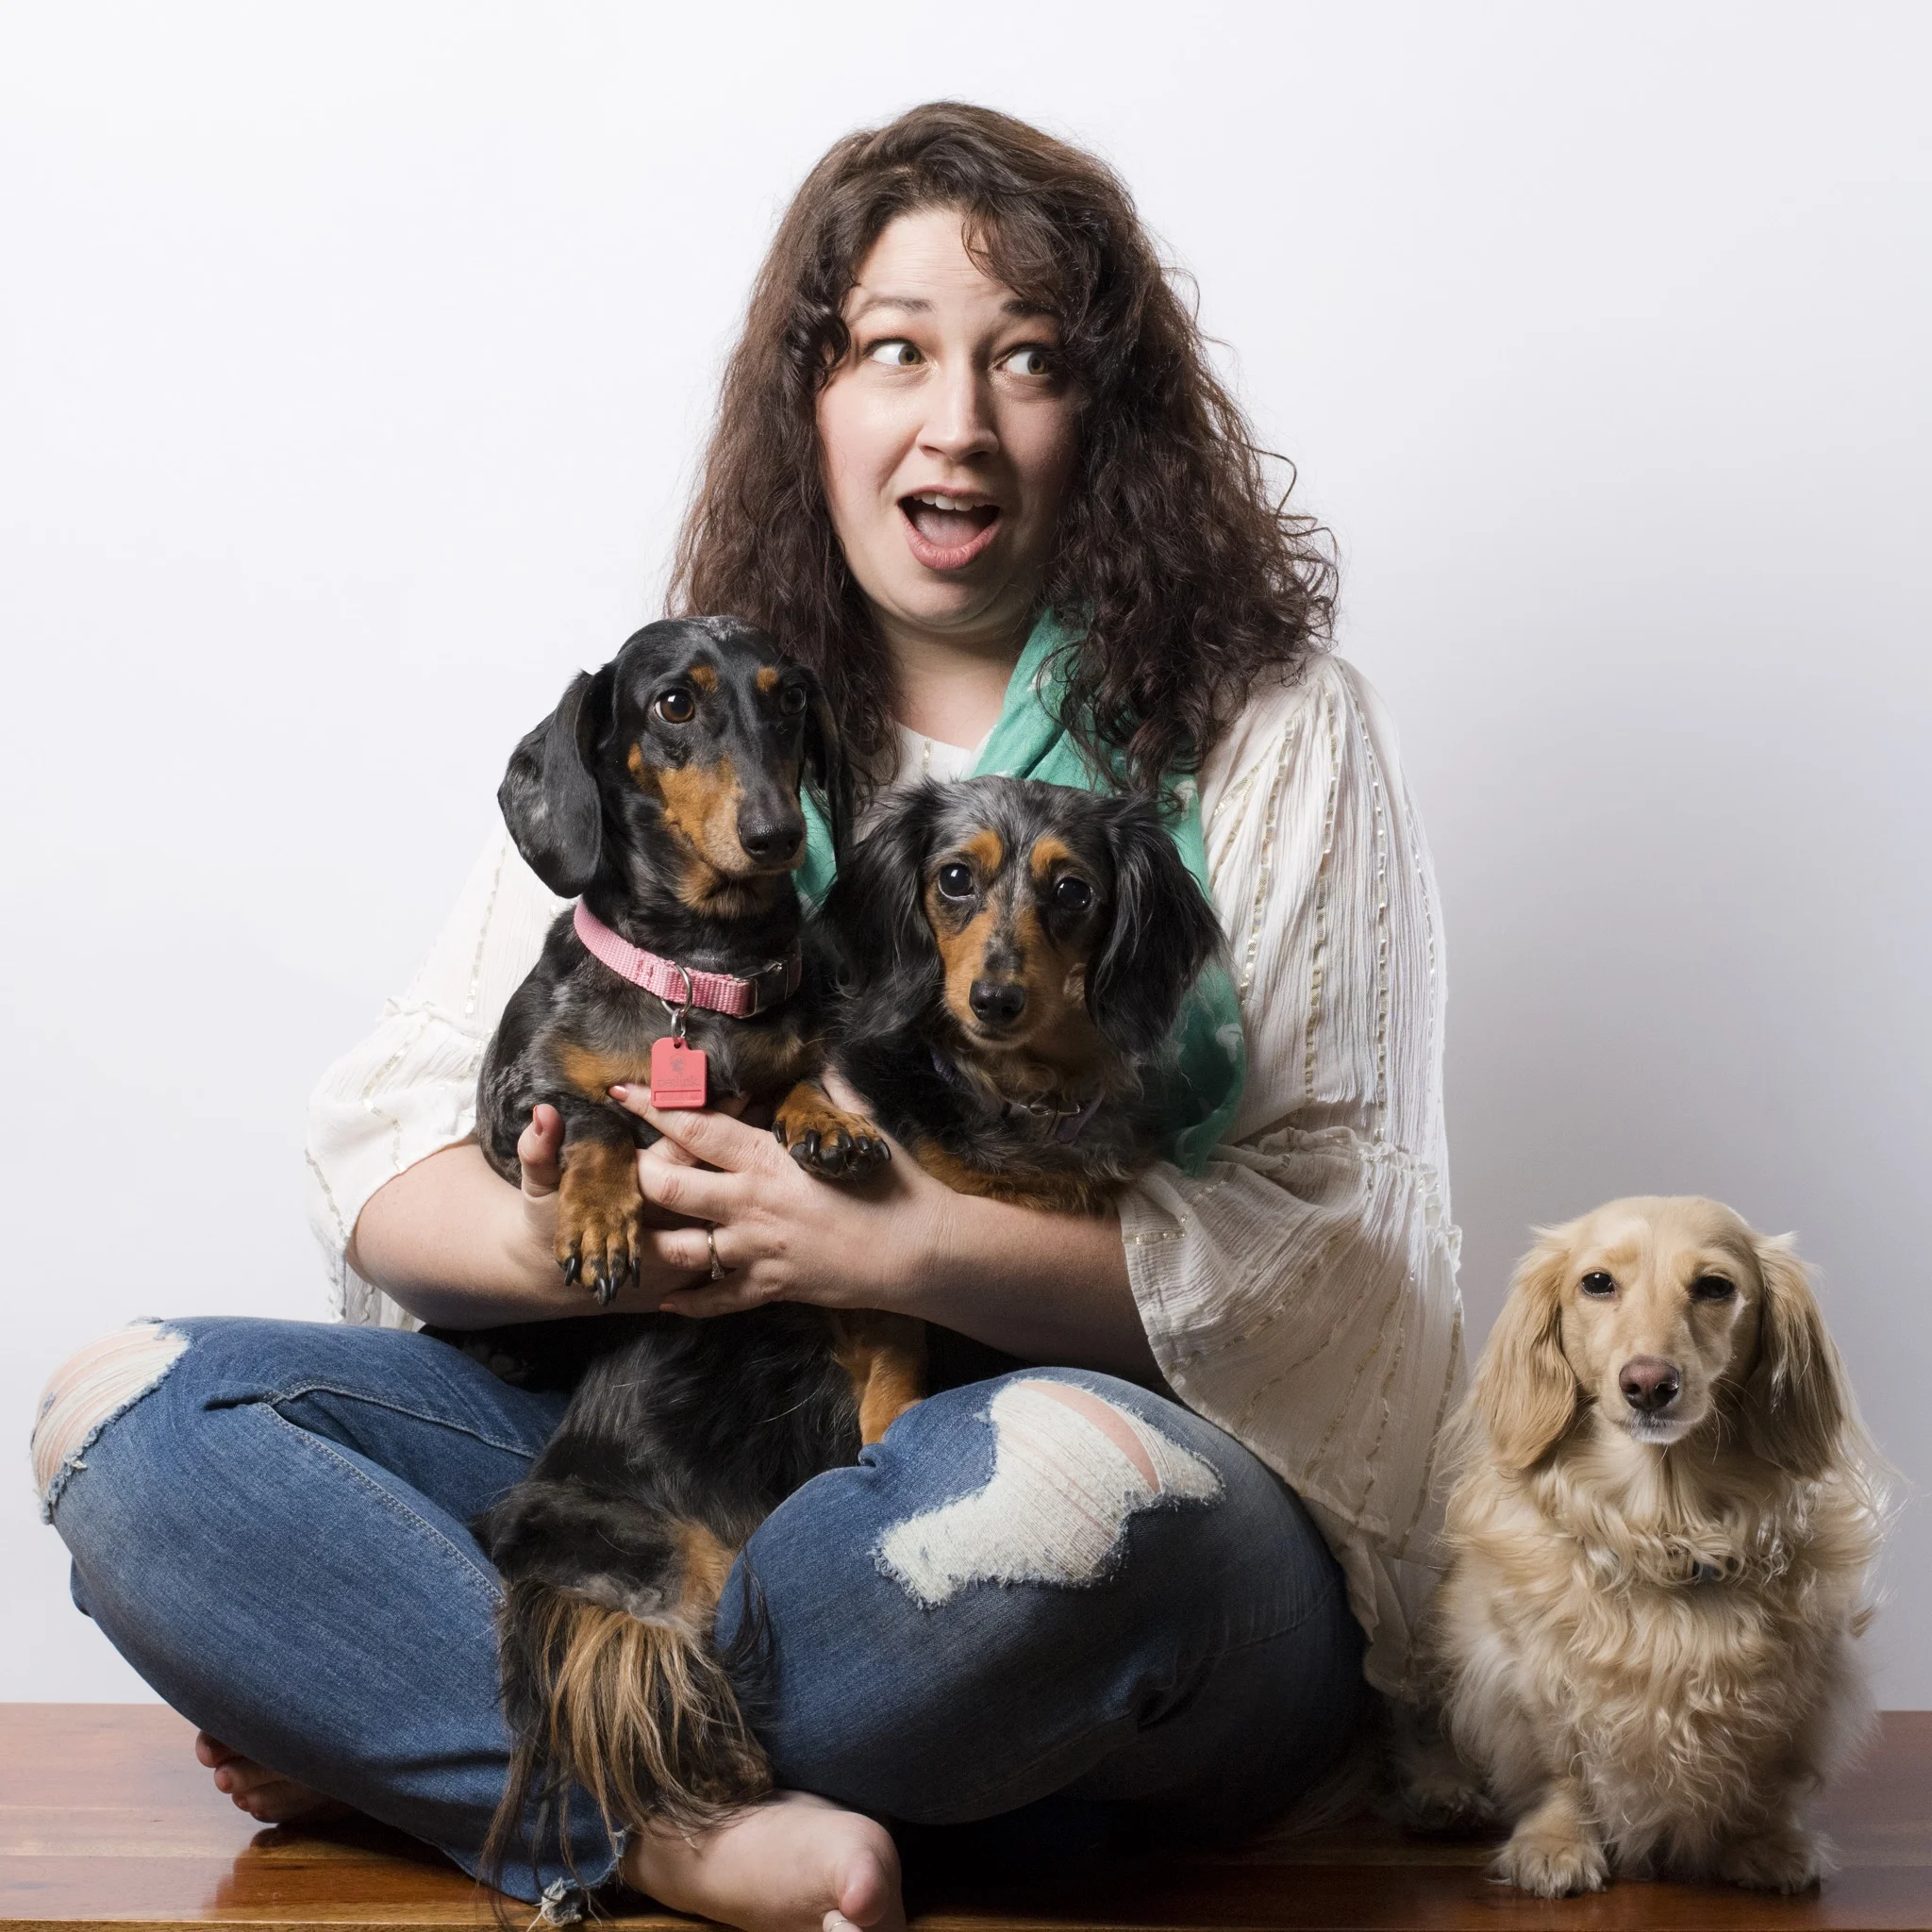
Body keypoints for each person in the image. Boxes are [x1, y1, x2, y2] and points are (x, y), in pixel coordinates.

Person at [32, 104, 1461, 1932]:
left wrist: (898, 1244)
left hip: (1061, 1490)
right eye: (895, 351)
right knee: (136, 1427)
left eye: (1026, 358)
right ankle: (667, 1822)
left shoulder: (1268, 728)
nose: (957, 421)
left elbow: (1344, 1269)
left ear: (1105, 406)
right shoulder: (706, 715)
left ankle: (441, 1729)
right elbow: (387, 1153)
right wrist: (632, 1241)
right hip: (685, 1443)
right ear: (813, 400)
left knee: (1035, 1520)